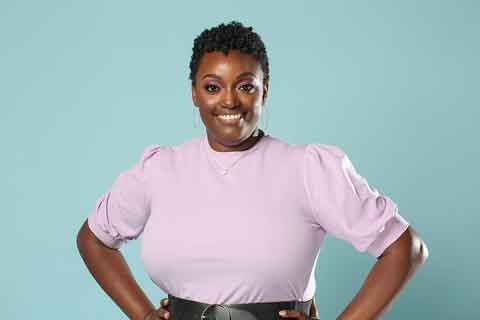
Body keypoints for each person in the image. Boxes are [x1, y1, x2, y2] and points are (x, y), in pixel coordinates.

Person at [76, 21, 429, 320]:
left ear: (265, 91)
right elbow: (94, 240)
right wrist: (144, 314)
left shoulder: (308, 168)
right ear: (195, 94)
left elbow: (405, 249)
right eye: (212, 87)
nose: (229, 100)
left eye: (245, 86)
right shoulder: (160, 169)